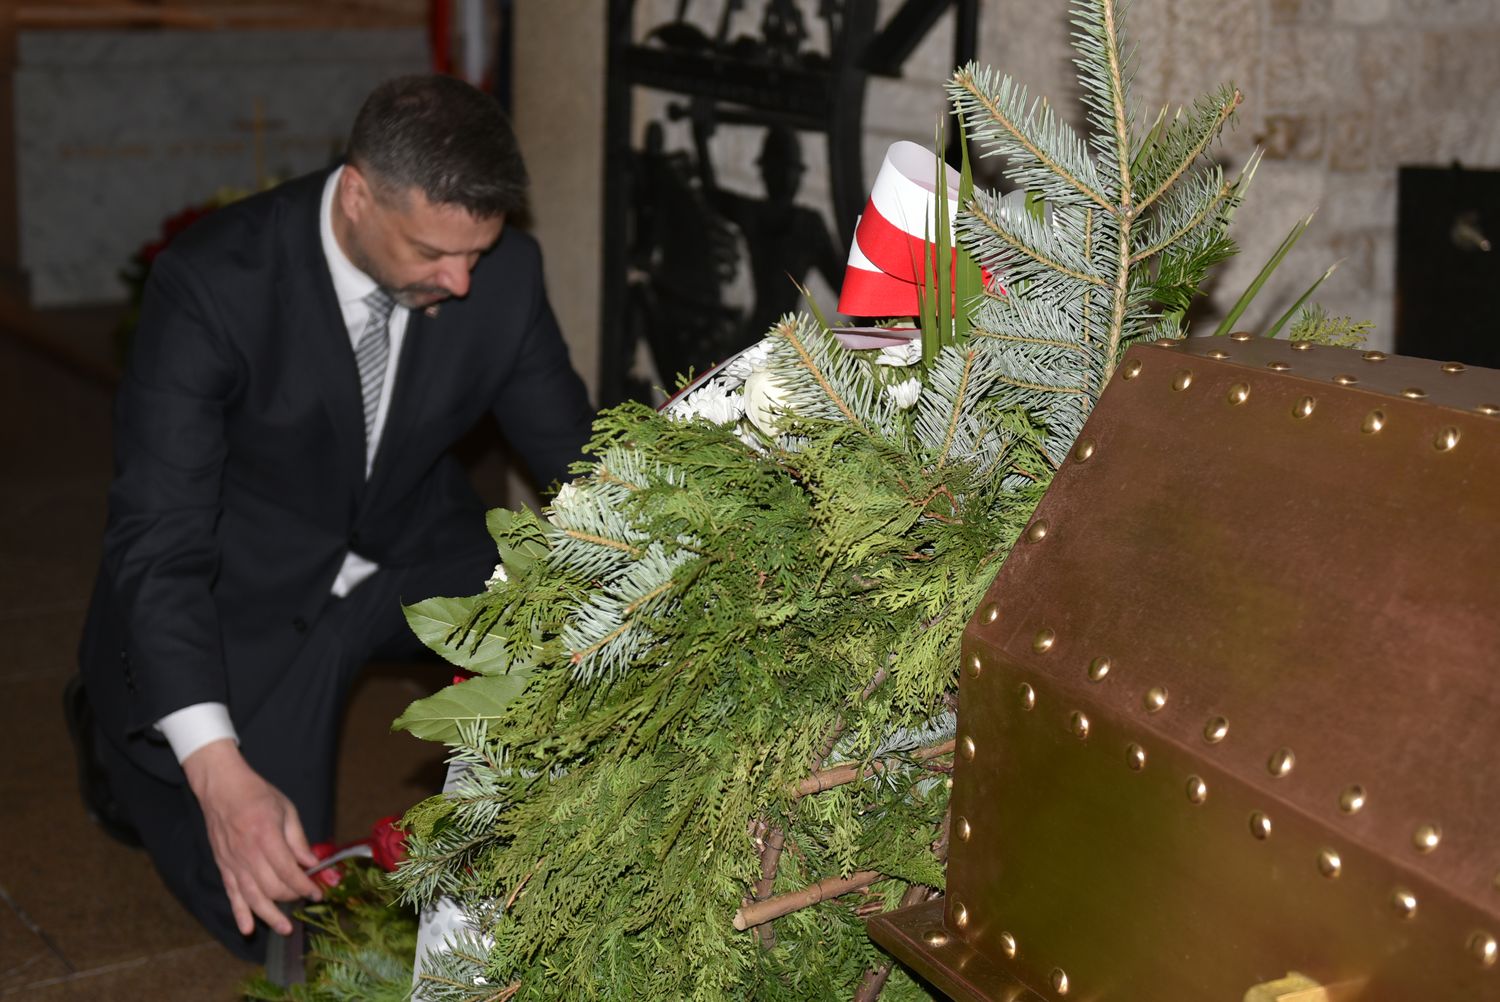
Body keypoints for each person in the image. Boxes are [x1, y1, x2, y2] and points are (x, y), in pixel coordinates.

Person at [69, 74, 595, 961]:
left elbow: (578, 461)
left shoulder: (502, 274)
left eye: (477, 252)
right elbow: (160, 541)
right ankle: (119, 736)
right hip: (241, 584)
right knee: (290, 927)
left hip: (410, 543)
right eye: (433, 252)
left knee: (581, 622)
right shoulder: (212, 283)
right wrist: (218, 771)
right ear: (357, 195)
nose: (461, 281)